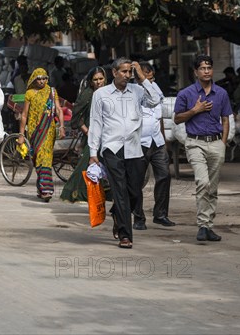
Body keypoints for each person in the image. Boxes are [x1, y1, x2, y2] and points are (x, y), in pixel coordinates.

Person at [88, 57, 161, 249]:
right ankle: (125, 235)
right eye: (124, 71)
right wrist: (93, 152)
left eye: (130, 72)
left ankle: (116, 212)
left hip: (135, 148)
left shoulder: (137, 90)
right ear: (114, 72)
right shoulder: (101, 94)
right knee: (119, 190)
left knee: (134, 191)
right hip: (111, 149)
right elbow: (95, 123)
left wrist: (142, 77)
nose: (128, 75)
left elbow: (155, 100)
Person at [174, 55, 232, 242]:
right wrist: (195, 111)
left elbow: (225, 119)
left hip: (216, 143)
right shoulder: (186, 94)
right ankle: (202, 225)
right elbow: (177, 119)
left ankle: (208, 225)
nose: (206, 71)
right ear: (195, 72)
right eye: (202, 68)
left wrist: (222, 142)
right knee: (203, 182)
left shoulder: (221, 93)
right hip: (195, 143)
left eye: (209, 67)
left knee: (212, 188)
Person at [132, 62, 175, 228]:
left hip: (157, 142)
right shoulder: (131, 90)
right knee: (137, 182)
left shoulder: (155, 88)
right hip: (138, 143)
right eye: (144, 77)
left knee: (164, 176)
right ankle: (139, 218)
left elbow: (160, 117)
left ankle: (160, 214)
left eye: (150, 78)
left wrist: (164, 141)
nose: (148, 81)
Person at [60, 67, 108, 203]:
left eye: (101, 79)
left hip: (108, 135)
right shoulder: (87, 94)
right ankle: (73, 193)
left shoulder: (109, 92)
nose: (99, 82)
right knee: (87, 164)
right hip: (92, 135)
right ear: (91, 82)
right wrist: (88, 132)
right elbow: (76, 116)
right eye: (95, 80)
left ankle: (103, 194)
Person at [17, 68, 66, 201]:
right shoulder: (30, 93)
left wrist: (61, 126)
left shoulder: (52, 91)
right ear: (34, 79)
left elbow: (59, 110)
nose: (42, 81)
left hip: (48, 130)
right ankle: (42, 187)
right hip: (34, 131)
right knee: (38, 158)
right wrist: (21, 134)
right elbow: (24, 115)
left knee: (45, 158)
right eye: (39, 78)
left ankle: (47, 190)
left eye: (44, 78)